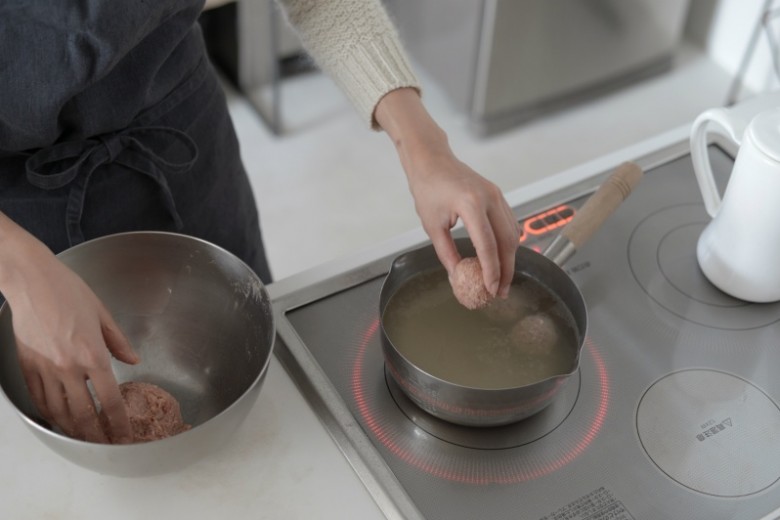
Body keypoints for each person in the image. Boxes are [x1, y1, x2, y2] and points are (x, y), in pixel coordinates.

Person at [0, 0, 520, 443]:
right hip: (17, 212)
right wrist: (19, 271)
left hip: (174, 138)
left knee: (252, 370)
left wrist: (424, 145)